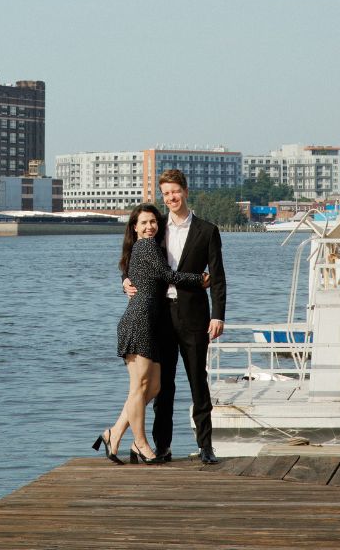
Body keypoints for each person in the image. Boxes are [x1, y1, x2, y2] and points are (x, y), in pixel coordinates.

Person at [124, 169, 227, 464]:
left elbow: (218, 278)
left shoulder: (207, 231)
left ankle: (206, 445)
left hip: (195, 316)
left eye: (175, 191)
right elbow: (136, 258)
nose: (171, 198)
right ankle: (162, 446)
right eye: (166, 193)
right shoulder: (156, 229)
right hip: (160, 316)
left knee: (198, 382)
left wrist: (218, 315)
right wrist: (125, 280)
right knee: (162, 385)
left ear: (185, 190)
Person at [93, 204, 204, 465]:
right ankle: (140, 443)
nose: (149, 227)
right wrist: (199, 279)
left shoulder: (147, 247)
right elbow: (168, 275)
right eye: (143, 223)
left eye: (153, 222)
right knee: (138, 387)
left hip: (151, 323)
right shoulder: (145, 246)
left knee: (153, 386)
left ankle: (115, 432)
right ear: (134, 227)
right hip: (138, 321)